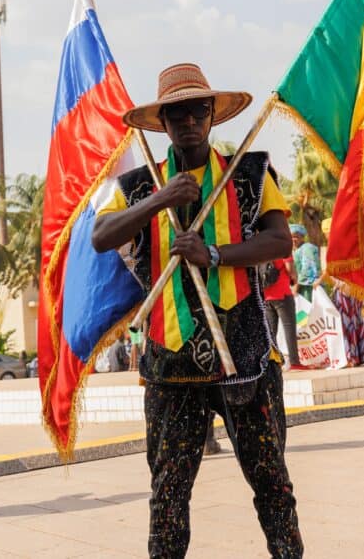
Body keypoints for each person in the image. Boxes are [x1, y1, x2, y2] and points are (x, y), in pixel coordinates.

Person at [92, 63, 303, 558]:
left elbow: (279, 240)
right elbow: (102, 237)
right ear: (162, 122)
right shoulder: (138, 183)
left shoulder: (250, 172)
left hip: (246, 357)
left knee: (272, 485)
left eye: (197, 111)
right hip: (169, 362)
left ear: (212, 116)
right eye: (177, 113)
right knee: (167, 495)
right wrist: (160, 199)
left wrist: (215, 255)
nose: (188, 121)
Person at [263, 255, 303, 369]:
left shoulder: (262, 246)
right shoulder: (282, 247)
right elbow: (290, 269)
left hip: (266, 295)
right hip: (282, 293)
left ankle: (274, 364)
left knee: (271, 333)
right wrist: (294, 279)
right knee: (289, 329)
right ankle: (295, 362)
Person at [333, 290, 364, 367]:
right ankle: (362, 356)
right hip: (355, 288)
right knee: (355, 320)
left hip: (345, 288)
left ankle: (351, 358)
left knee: (348, 322)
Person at [290, 224, 321, 302]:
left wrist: (296, 287)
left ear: (302, 237)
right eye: (290, 237)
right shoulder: (294, 250)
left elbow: (308, 270)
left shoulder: (307, 248)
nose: (293, 239)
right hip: (296, 288)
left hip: (307, 289)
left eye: (296, 236)